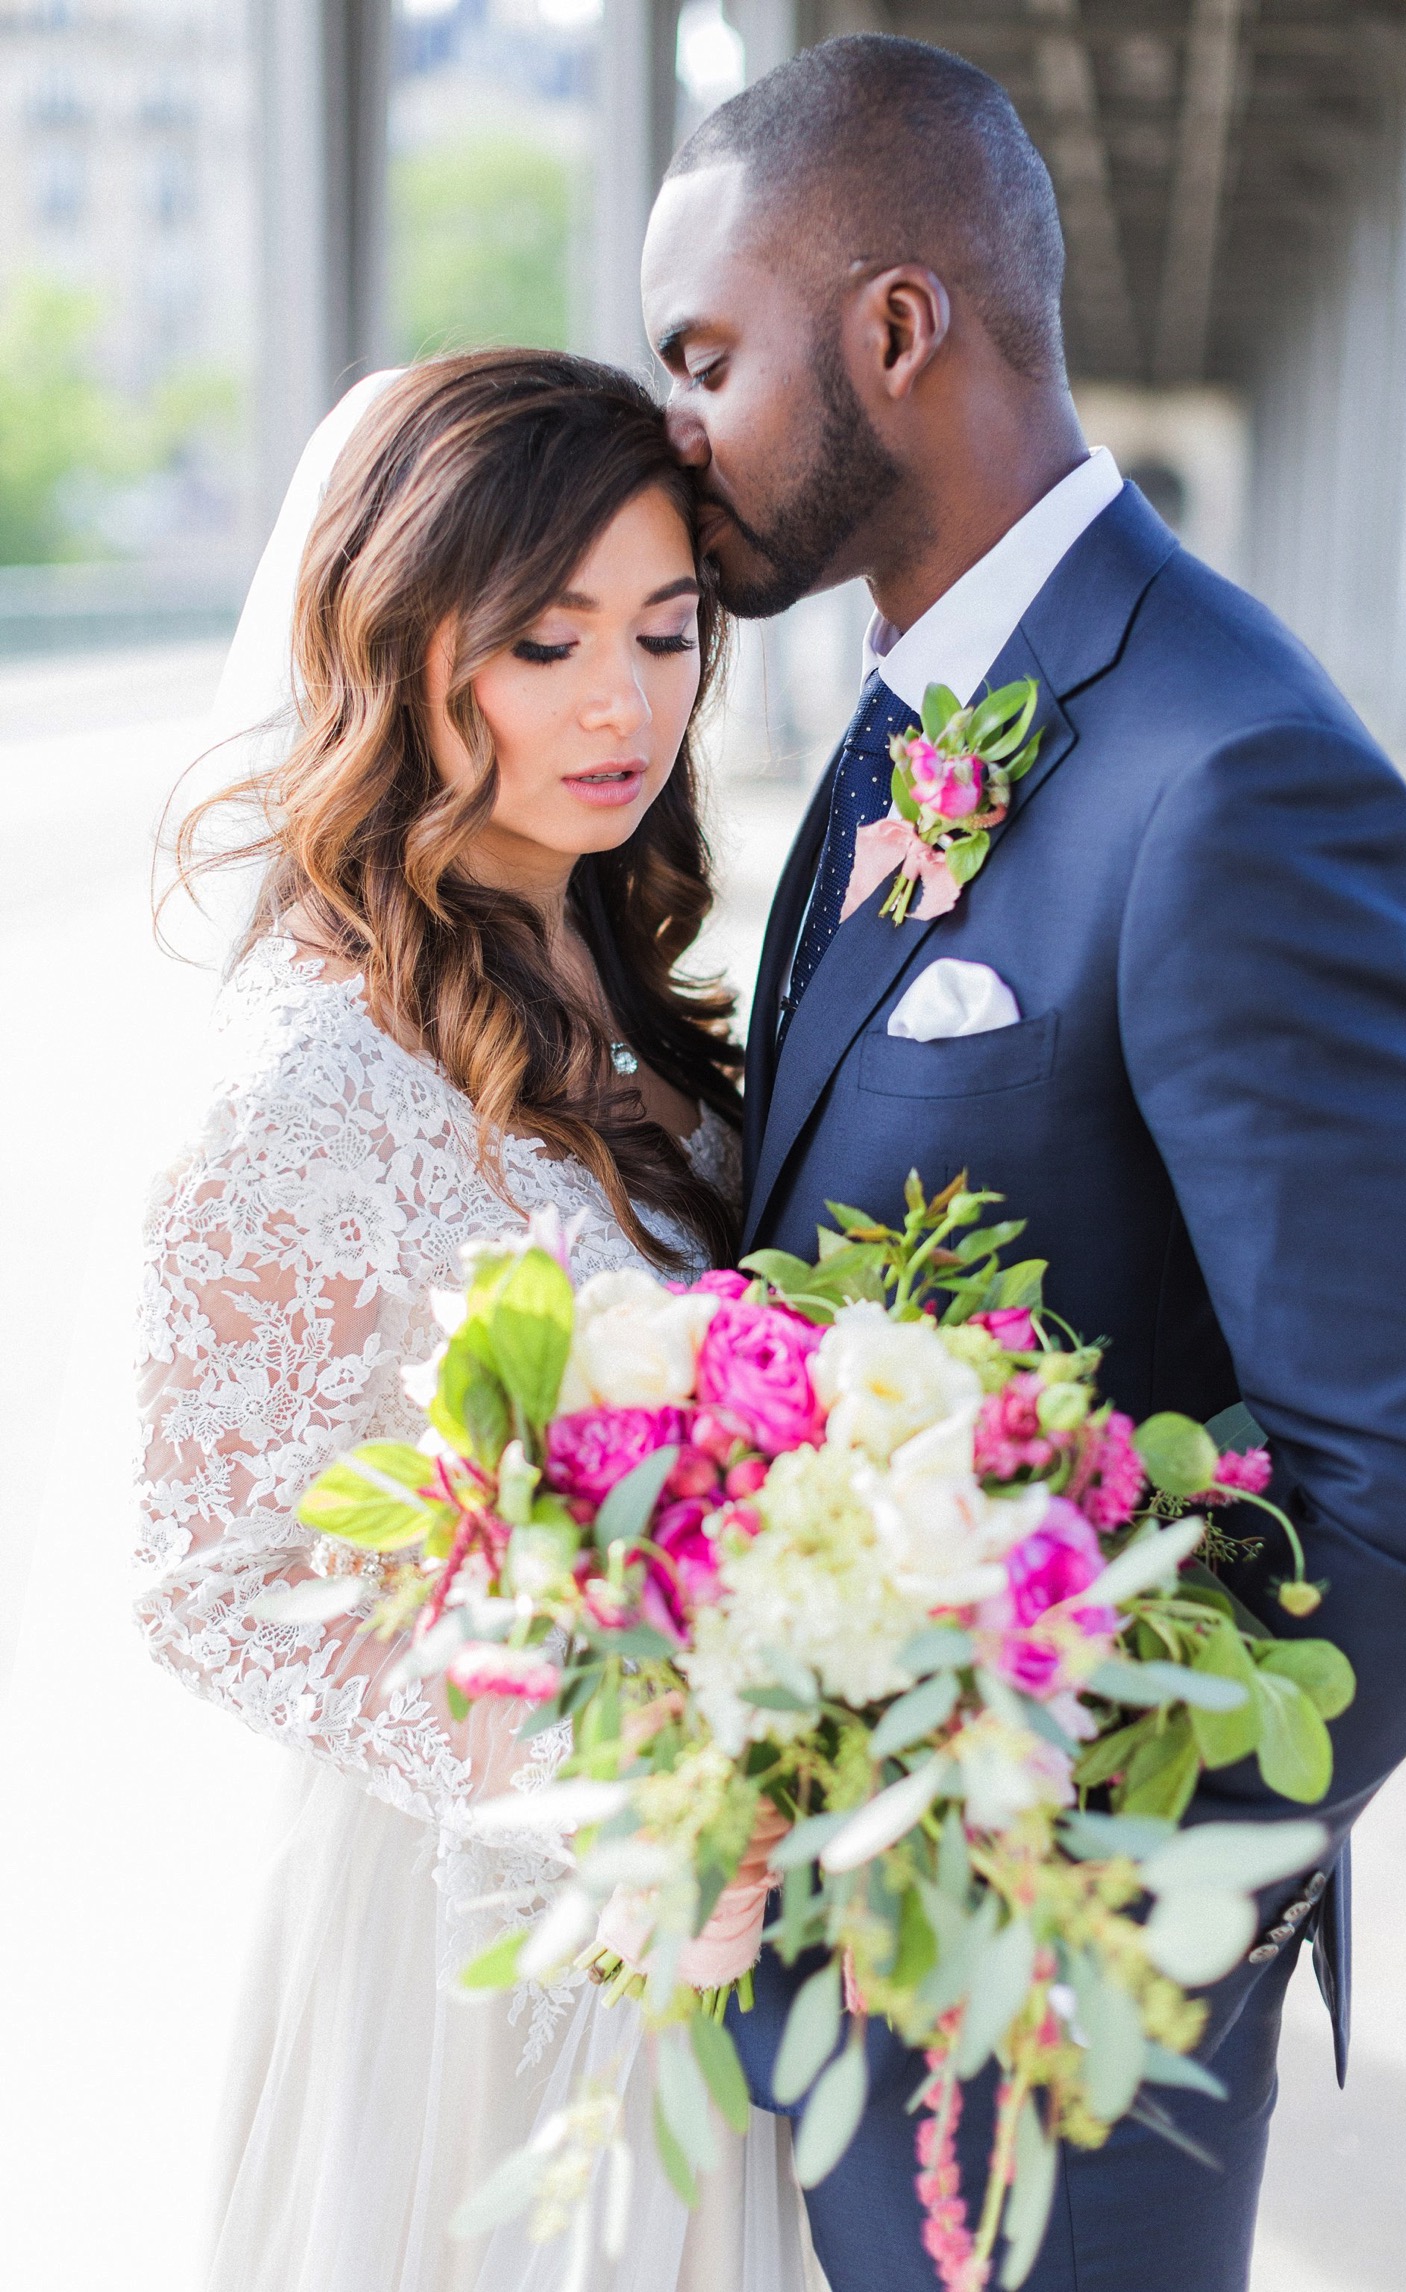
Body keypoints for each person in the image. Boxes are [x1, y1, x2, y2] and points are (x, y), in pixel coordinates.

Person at [641, 33, 1406, 2292]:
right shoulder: (887, 722)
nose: (672, 428)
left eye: (705, 355)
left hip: (1043, 2015)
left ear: (895, 330)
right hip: (813, 1964)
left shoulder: (1230, 775)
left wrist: (1060, 1875)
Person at [133, 351, 811, 2292]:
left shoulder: (605, 953)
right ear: (401, 642)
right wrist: (617, 1786)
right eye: (541, 642)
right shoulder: (301, 1082)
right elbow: (207, 1569)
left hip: (694, 1917)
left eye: (666, 634)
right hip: (477, 1951)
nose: (623, 705)